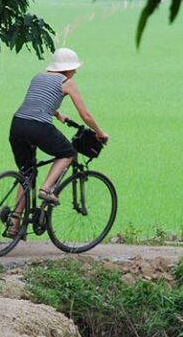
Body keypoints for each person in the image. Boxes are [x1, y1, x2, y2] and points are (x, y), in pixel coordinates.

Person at [7, 47, 108, 234]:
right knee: (67, 152)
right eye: (74, 68)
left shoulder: (38, 77)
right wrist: (99, 132)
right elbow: (85, 114)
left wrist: (58, 114)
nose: (75, 72)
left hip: (18, 124)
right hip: (38, 126)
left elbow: (36, 102)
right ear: (67, 68)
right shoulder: (67, 83)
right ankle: (46, 189)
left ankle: (14, 223)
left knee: (26, 173)